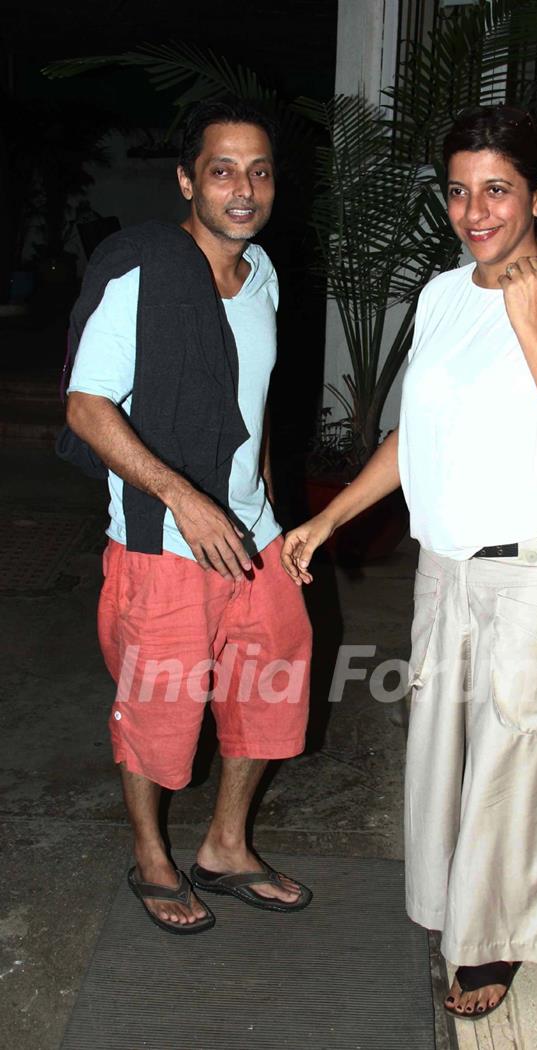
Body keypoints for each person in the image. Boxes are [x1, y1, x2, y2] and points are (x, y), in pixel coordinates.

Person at [281, 106, 537, 1017]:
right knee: (439, 751)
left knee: (517, 758)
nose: (476, 212)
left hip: (532, 574)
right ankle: (446, 906)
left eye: (498, 190)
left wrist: (530, 324)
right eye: (461, 191)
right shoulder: (439, 296)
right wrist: (333, 520)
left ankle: (496, 942)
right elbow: (411, 435)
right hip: (445, 567)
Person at [66, 100, 313, 934]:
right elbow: (87, 405)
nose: (243, 189)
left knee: (269, 691)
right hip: (166, 544)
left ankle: (226, 847)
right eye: (222, 170)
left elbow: (258, 400)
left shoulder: (265, 274)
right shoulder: (144, 271)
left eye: (260, 171)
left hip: (254, 537)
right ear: (186, 180)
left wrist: (270, 508)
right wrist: (184, 498)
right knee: (159, 710)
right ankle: (151, 858)